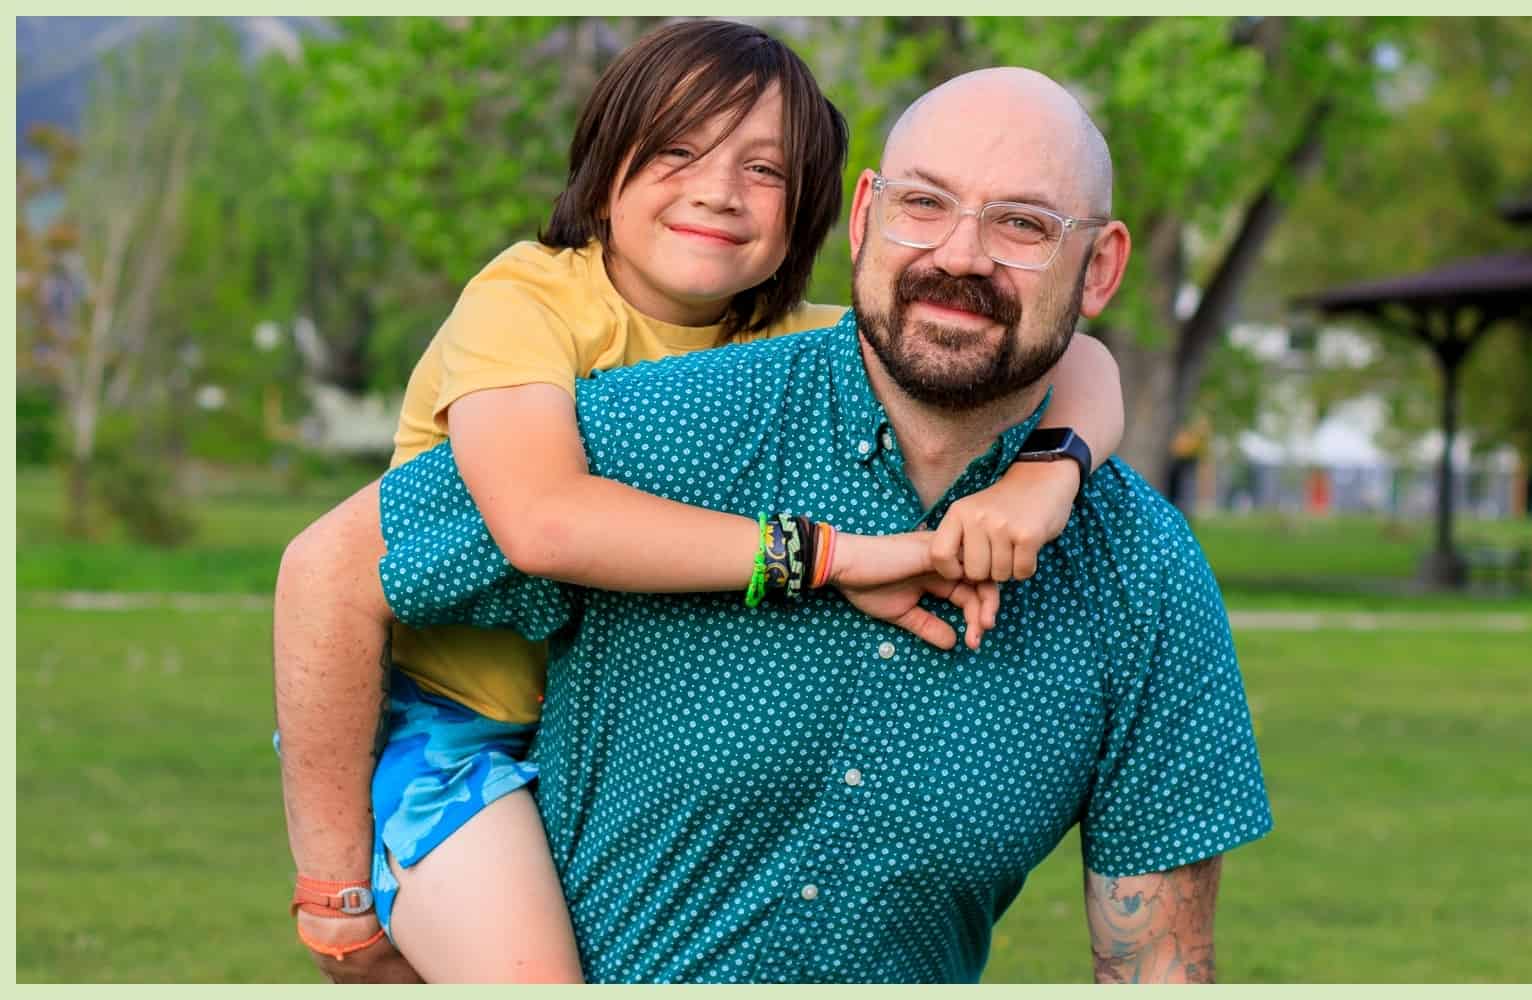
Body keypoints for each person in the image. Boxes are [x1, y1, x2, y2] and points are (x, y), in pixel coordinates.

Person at [278, 67, 1271, 984]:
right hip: (446, 747)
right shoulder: (622, 408)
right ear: (868, 218)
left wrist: (1050, 479)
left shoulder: (1133, 566)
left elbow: (1160, 965)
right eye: (925, 205)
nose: (959, 255)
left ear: (1098, 268)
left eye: (1021, 225)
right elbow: (355, 562)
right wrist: (336, 906)